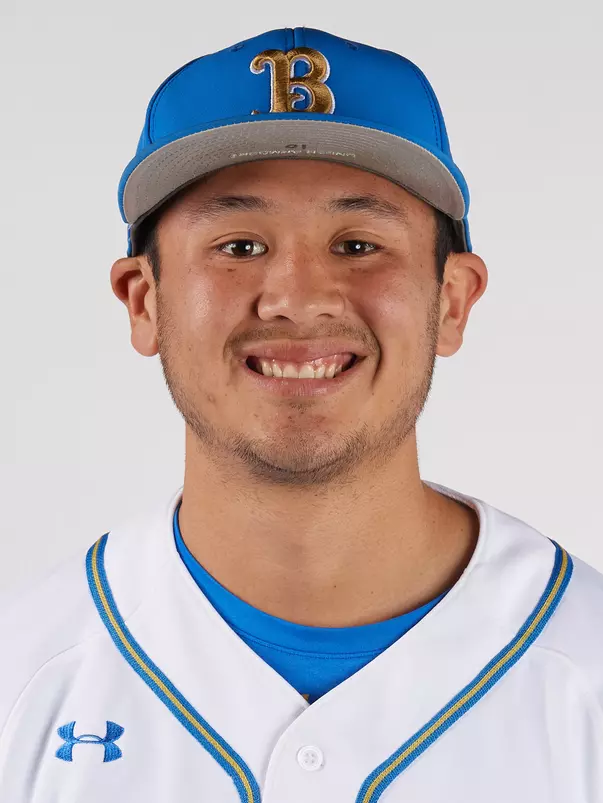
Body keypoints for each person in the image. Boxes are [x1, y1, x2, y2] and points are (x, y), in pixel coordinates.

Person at [1, 26, 601, 803]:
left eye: (357, 244)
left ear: (450, 301)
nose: (297, 297)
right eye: (239, 245)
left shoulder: (586, 672)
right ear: (143, 301)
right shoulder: (22, 676)